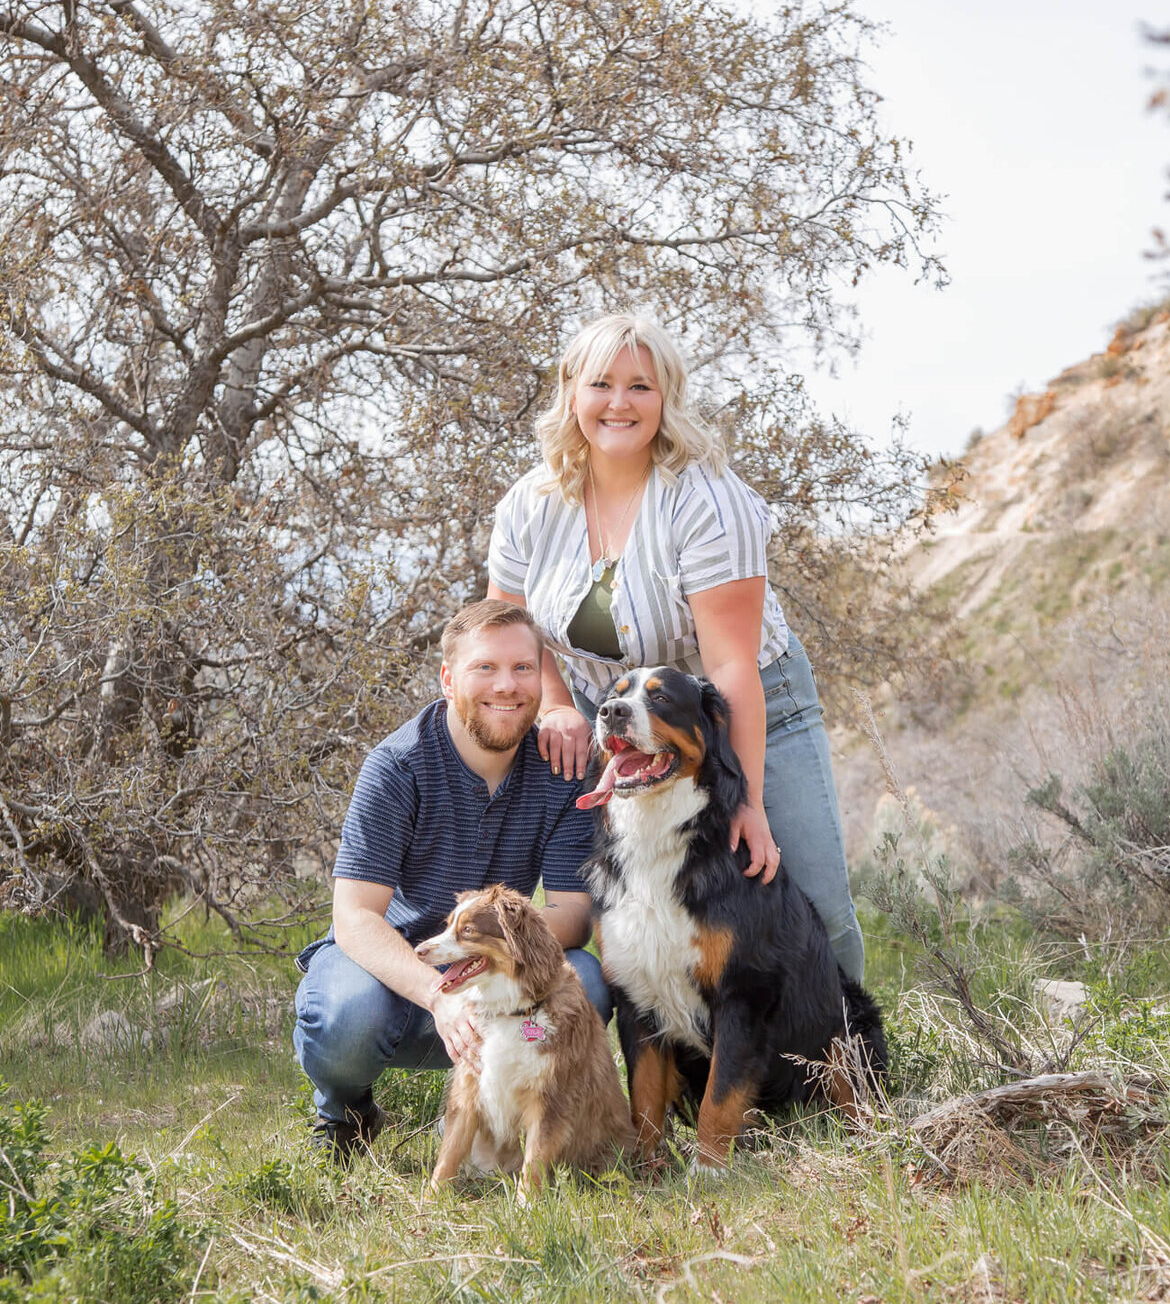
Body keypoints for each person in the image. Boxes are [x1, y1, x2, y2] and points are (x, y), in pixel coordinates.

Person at [487, 312, 866, 984]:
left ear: (667, 397)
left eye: (641, 386)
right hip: (619, 723)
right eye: (601, 383)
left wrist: (747, 802)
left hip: (743, 704)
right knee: (646, 913)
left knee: (809, 905)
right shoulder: (530, 504)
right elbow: (508, 625)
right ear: (572, 391)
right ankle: (689, 1079)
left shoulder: (708, 502)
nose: (619, 403)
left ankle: (851, 1075)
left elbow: (730, 667)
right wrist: (552, 703)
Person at [293, 600, 608, 1160]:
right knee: (347, 1016)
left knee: (585, 982)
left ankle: (516, 1120)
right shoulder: (398, 765)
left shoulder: (562, 771)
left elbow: (574, 916)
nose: (506, 686)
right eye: (484, 668)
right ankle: (345, 1109)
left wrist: (491, 966)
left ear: (542, 677)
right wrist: (442, 997)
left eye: (523, 668)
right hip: (389, 973)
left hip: (493, 976)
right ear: (448, 679)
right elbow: (355, 918)